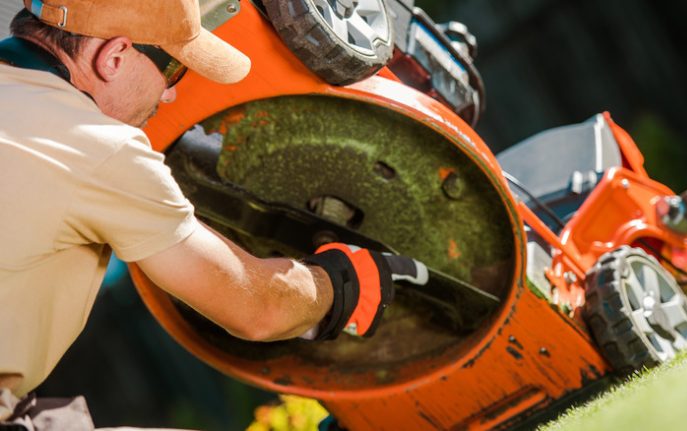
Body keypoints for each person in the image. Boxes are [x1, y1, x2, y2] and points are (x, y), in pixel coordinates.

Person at [0, 0, 427, 429]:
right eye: (173, 71)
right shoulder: (96, 145)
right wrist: (341, 284)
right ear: (113, 58)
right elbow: (258, 308)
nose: (169, 93)